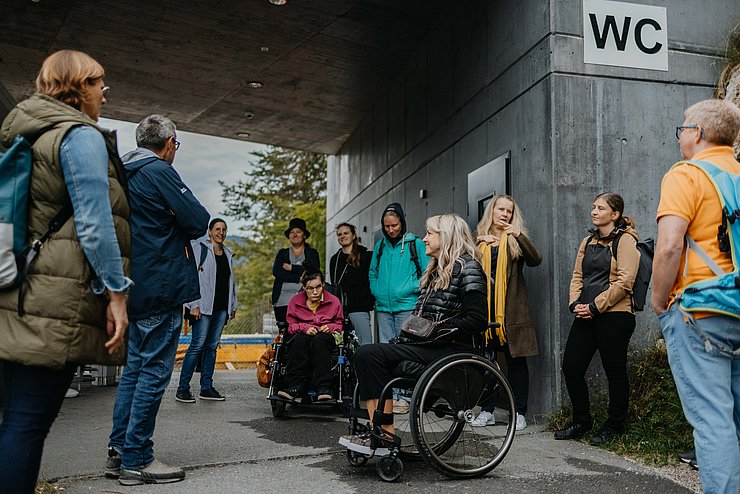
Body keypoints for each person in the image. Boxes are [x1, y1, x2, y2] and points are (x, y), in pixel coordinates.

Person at [0, 50, 131, 494]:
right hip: (50, 303)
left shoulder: (26, 132)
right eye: (99, 85)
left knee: (10, 421)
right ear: (78, 89)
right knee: (26, 425)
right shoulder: (80, 137)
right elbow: (95, 223)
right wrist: (116, 292)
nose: (104, 96)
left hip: (13, 289)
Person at [107, 114, 209, 485]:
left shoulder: (123, 172)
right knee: (152, 374)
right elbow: (199, 220)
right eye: (175, 145)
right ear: (168, 143)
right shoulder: (159, 171)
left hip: (132, 285)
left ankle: (119, 451)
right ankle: (137, 458)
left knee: (134, 372)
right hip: (161, 286)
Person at [340, 213, 487, 453]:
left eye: (430, 233)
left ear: (447, 236)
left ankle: (383, 435)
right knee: (368, 356)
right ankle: (381, 433)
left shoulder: (468, 268)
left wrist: (434, 330)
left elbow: (477, 320)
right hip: (428, 345)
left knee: (368, 354)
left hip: (449, 350)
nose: (425, 239)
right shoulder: (435, 271)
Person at [652, 99, 740, 494]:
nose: (681, 135)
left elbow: (669, 246)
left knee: (712, 419)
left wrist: (659, 302)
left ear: (698, 133)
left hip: (700, 310)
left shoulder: (685, 175)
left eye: (683, 128)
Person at [554, 192, 640, 446]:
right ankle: (582, 420)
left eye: (600, 208)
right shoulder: (587, 241)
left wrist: (596, 306)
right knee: (572, 367)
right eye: (593, 207)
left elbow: (625, 282)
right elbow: (577, 276)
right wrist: (575, 303)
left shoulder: (626, 241)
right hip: (586, 313)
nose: (594, 211)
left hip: (615, 315)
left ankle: (615, 425)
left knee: (615, 372)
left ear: (614, 214)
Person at [471, 195, 541, 431]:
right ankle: (488, 411)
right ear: (491, 211)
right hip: (485, 312)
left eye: (509, 211)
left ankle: (520, 412)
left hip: (511, 312)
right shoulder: (478, 239)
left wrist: (517, 235)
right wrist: (478, 239)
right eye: (500, 209)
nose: (505, 214)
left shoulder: (514, 239)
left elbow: (535, 260)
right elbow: (459, 253)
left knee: (516, 364)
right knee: (487, 363)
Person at [177, 218, 239, 403]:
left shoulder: (227, 253)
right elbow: (189, 277)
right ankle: (182, 388)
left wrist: (233, 305)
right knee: (197, 346)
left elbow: (231, 283)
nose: (221, 232)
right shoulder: (199, 249)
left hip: (221, 308)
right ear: (210, 231)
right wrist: (193, 304)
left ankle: (206, 387)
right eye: (217, 229)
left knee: (211, 347)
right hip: (202, 307)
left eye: (224, 229)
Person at [277, 263, 343, 402]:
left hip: (325, 337)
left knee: (320, 340)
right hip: (302, 334)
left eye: (318, 287)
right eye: (310, 288)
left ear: (323, 284)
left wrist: (330, 327)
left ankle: (324, 387)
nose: (315, 292)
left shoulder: (334, 301)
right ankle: (295, 386)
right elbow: (291, 326)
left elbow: (339, 324)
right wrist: (304, 327)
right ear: (304, 288)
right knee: (301, 340)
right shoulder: (295, 301)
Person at [369, 203, 429, 343]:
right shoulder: (380, 246)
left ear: (402, 223)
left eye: (394, 225)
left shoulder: (416, 244)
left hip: (407, 306)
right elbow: (373, 272)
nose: (390, 230)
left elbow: (428, 273)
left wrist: (412, 287)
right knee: (386, 349)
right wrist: (377, 291)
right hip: (383, 308)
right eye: (387, 226)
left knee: (405, 347)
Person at [330, 223, 374, 344]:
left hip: (359, 307)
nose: (342, 236)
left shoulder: (365, 256)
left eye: (346, 233)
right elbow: (335, 284)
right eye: (339, 234)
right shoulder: (335, 259)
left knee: (364, 344)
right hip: (340, 310)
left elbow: (371, 280)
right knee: (340, 346)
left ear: (353, 235)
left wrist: (369, 301)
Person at [272, 218, 320, 324]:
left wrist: (291, 268)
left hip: (306, 301)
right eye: (292, 232)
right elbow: (277, 272)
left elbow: (314, 272)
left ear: (305, 235)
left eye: (298, 232)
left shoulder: (312, 253)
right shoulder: (282, 253)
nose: (295, 234)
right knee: (284, 334)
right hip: (282, 301)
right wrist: (299, 278)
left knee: (304, 332)